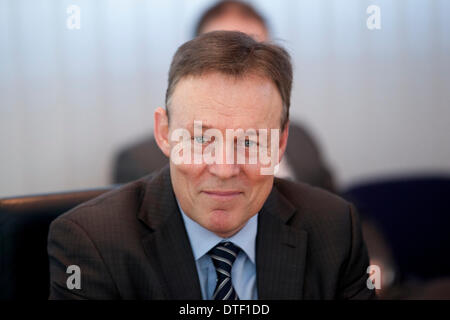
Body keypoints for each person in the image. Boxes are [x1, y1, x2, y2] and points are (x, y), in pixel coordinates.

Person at [48, 31, 374, 300]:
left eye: (249, 142)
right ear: (164, 134)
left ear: (280, 142)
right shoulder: (92, 242)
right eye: (202, 140)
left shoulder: (333, 228)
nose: (224, 168)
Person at [113, 0, 335, 192]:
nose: (241, 63)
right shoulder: (141, 160)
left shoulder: (301, 140)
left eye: (254, 50)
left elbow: (335, 218)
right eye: (221, 51)